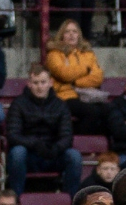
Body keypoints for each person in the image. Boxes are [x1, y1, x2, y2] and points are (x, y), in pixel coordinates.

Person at [6, 64, 82, 196]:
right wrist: (35, 144)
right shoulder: (18, 104)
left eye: (43, 82)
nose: (40, 86)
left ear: (50, 83)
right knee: (17, 153)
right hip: (28, 155)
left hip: (53, 155)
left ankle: (70, 202)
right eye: (35, 83)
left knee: (74, 156)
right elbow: (12, 135)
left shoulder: (60, 105)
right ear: (29, 84)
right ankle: (15, 200)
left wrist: (56, 148)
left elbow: (67, 136)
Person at [44, 19, 106, 136]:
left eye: (74, 31)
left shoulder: (88, 53)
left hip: (88, 95)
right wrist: (86, 68)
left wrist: (76, 81)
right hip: (65, 96)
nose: (71, 34)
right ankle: (73, 137)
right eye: (67, 32)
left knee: (109, 110)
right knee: (91, 112)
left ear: (79, 35)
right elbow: (64, 74)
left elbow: (97, 77)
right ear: (62, 36)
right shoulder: (54, 54)